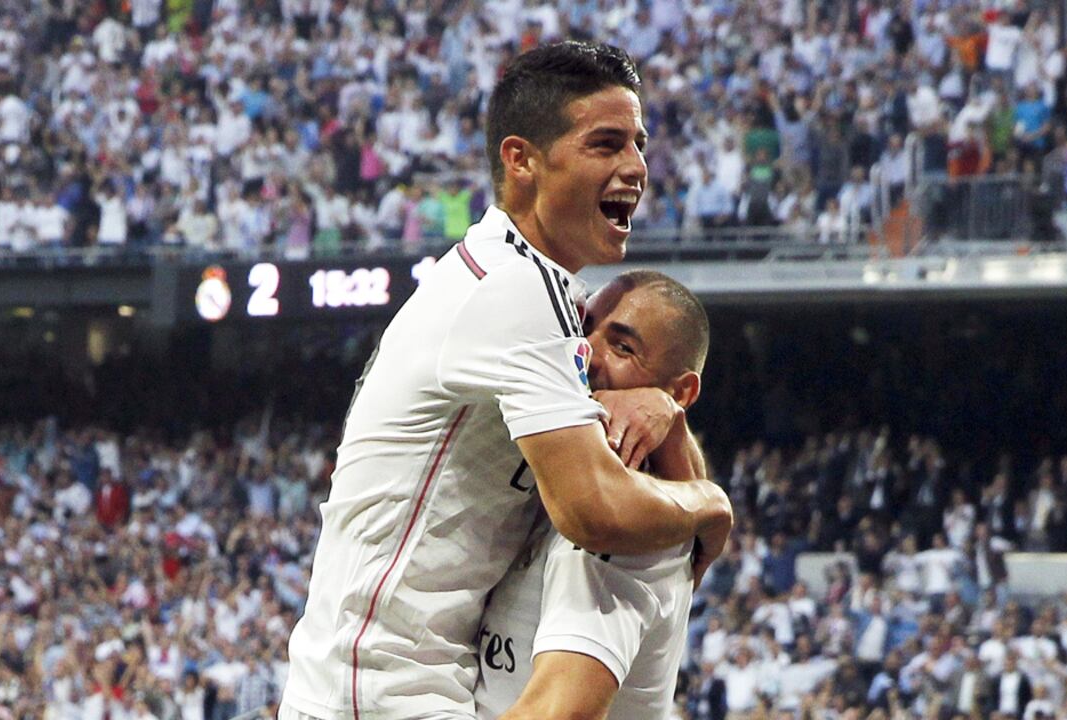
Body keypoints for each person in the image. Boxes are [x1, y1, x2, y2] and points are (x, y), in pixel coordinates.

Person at [280, 41, 732, 720]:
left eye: (638, 144)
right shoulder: (514, 292)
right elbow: (594, 511)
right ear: (521, 160)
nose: (636, 167)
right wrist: (709, 504)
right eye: (606, 144)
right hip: (380, 694)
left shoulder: (542, 299)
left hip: (404, 684)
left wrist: (662, 411)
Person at [474, 270, 710, 719]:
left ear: (680, 391)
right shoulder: (572, 474)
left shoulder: (628, 527)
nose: (586, 354)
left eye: (623, 347)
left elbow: (558, 713)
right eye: (583, 331)